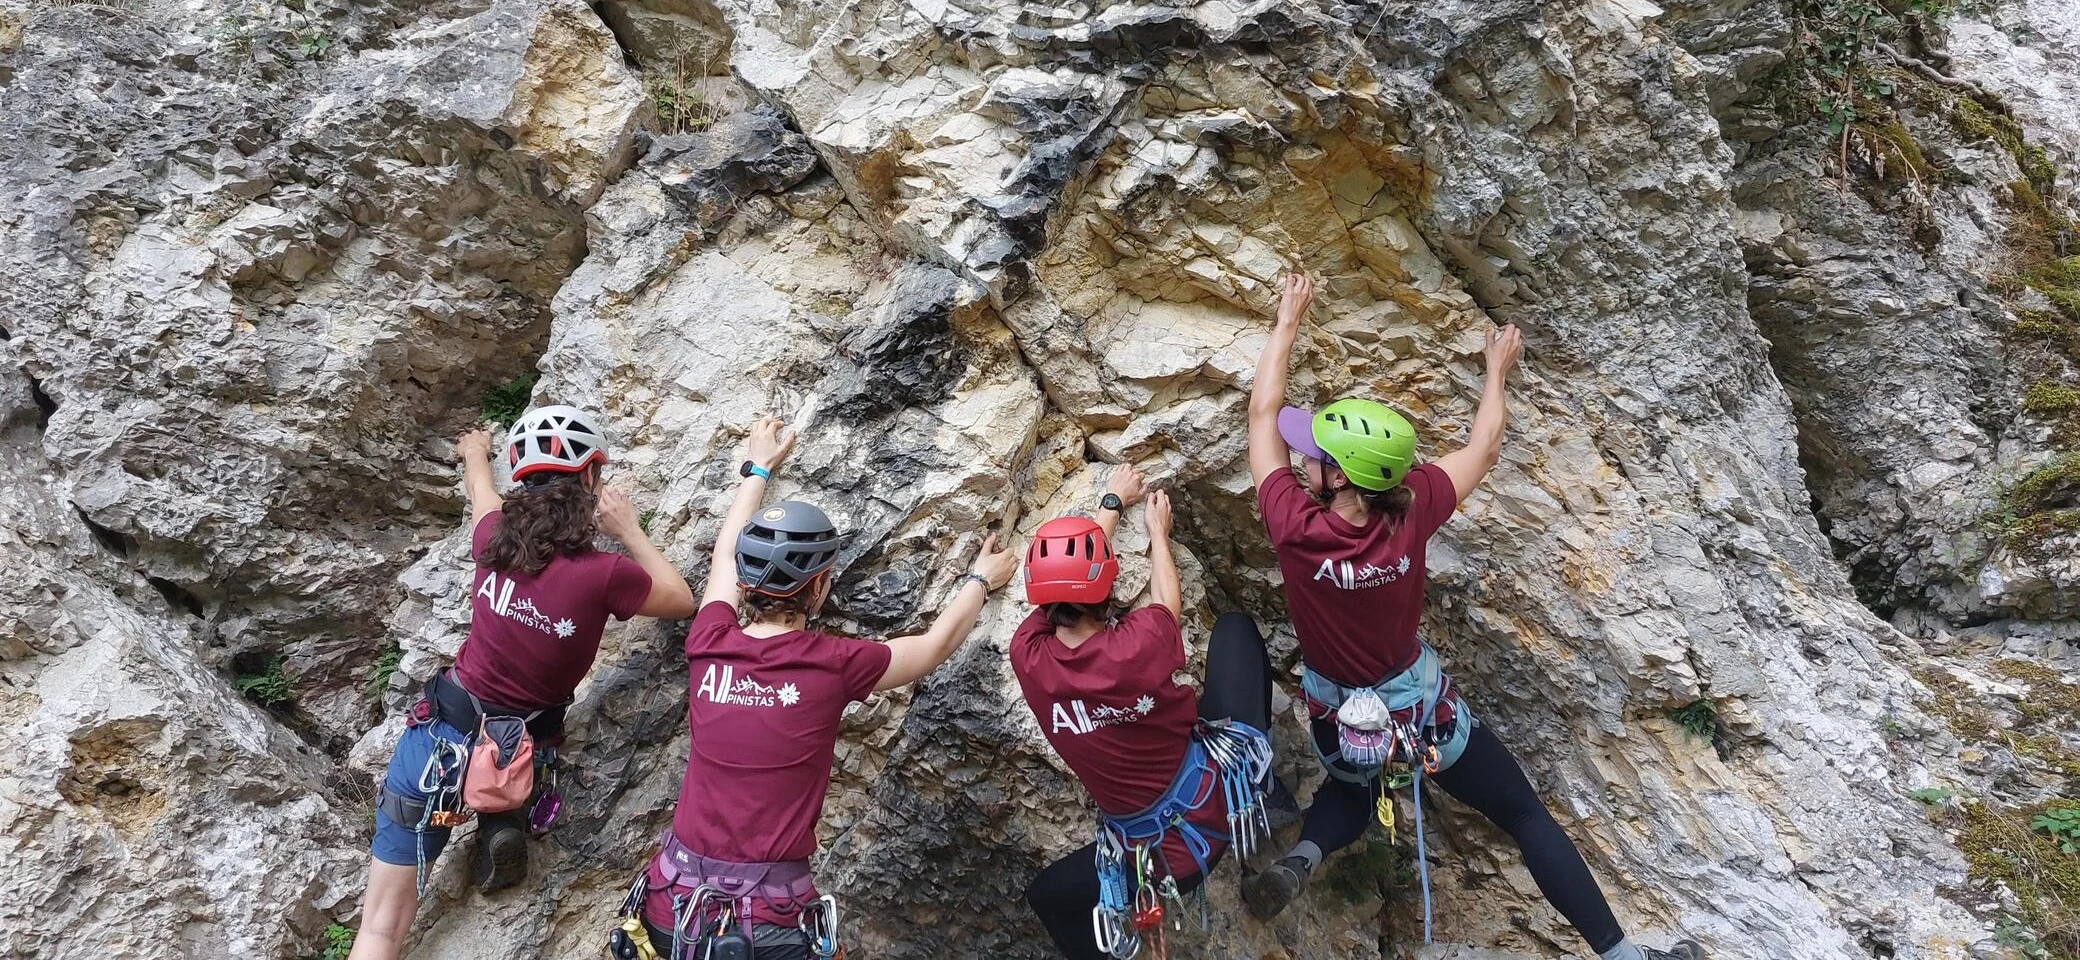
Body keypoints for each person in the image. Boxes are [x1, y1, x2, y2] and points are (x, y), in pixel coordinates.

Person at [1237, 275, 1702, 960]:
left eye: (1316, 454)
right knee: (1520, 813)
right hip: (1422, 712)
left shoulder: (1296, 526)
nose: (1302, 456)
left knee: (1354, 784)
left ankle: (1304, 856)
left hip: (1343, 718)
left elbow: (1260, 416)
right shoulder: (1412, 508)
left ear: (1337, 478)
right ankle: (1624, 958)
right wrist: (1495, 372)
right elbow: (1483, 448)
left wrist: (1287, 321)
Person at [616, 416, 1018, 960]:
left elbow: (721, 557)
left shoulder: (709, 639)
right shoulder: (834, 664)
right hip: (766, 922)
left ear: (744, 580)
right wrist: (979, 581)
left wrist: (757, 468)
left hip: (671, 901)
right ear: (822, 584)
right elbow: (932, 648)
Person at [350, 405, 698, 960]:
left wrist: (473, 452)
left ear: (520, 477)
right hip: (521, 752)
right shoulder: (606, 575)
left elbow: (482, 496)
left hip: (438, 744)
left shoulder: (493, 540)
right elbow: (681, 600)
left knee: (380, 929)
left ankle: (492, 814)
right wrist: (629, 530)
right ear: (591, 478)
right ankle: (500, 813)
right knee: (521, 743)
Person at [1013, 466, 1281, 960]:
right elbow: (1167, 602)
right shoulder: (1138, 644)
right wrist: (1156, 532)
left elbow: (1061, 587)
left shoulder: (1028, 657)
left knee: (1046, 895)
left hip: (1147, 863)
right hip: (1217, 813)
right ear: (1107, 585)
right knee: (1237, 631)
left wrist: (1105, 512)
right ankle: (1269, 786)